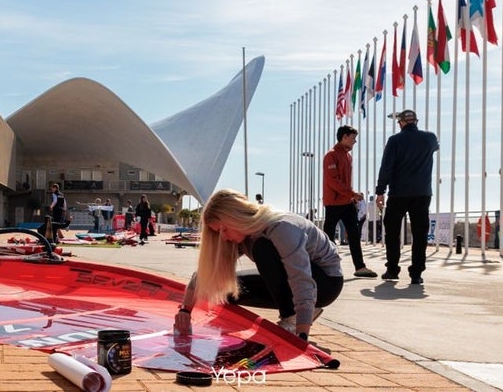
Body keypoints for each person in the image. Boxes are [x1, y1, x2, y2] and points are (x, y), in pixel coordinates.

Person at [173, 189, 343, 342]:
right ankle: (301, 312)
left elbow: (301, 278)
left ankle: (291, 317)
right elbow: (208, 271)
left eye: (223, 230)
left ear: (237, 218)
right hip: (299, 279)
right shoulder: (241, 235)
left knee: (262, 247)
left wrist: (302, 334)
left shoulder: (281, 227)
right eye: (219, 232)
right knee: (226, 292)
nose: (223, 237)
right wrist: (185, 311)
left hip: (326, 283)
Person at [375, 110, 439, 285]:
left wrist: (380, 191)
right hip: (422, 193)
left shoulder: (395, 140)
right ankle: (417, 273)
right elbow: (436, 146)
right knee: (420, 234)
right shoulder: (430, 138)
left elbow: (386, 167)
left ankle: (393, 269)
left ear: (401, 123)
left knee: (392, 231)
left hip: (399, 193)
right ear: (415, 121)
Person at [322, 125, 377, 278]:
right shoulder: (331, 156)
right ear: (344, 137)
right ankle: (325, 266)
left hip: (347, 202)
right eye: (353, 138)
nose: (355, 141)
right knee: (328, 236)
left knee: (354, 234)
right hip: (333, 203)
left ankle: (360, 267)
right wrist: (352, 193)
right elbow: (332, 181)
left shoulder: (348, 156)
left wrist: (351, 196)